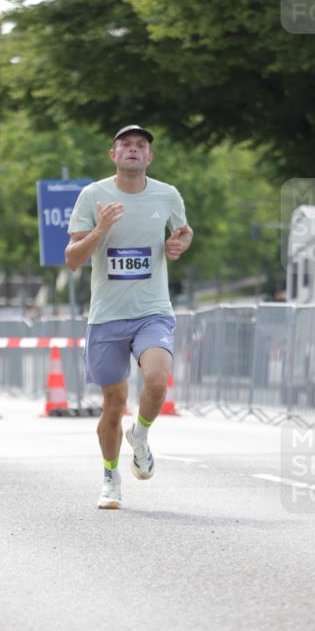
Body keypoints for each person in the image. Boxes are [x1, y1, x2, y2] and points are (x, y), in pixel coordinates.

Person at [66, 124, 193, 509]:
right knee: (113, 404)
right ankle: (110, 475)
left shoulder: (167, 194)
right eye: (126, 145)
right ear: (113, 155)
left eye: (141, 145)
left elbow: (184, 231)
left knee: (156, 379)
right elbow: (73, 259)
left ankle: (141, 435)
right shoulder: (93, 195)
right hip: (106, 315)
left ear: (150, 157)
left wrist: (179, 244)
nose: (134, 149)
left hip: (152, 310)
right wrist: (101, 229)